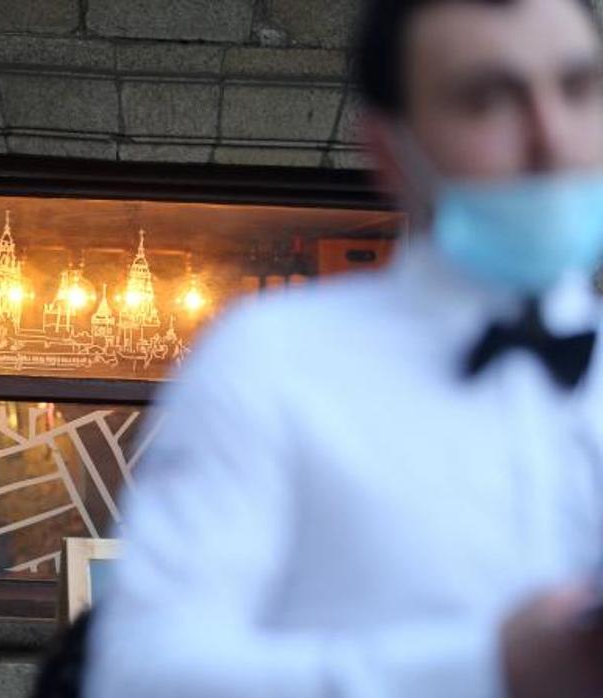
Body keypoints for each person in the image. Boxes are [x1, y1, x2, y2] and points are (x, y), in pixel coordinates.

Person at [85, 0, 603, 696]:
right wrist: (483, 667)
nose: (552, 139)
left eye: (579, 88)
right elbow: (141, 676)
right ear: (390, 151)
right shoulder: (269, 363)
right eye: (487, 100)